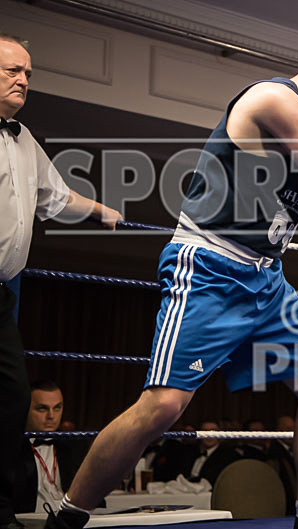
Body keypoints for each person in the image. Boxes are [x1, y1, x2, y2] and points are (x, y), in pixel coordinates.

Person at [44, 34, 298, 529]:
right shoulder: (273, 98)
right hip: (210, 267)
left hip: (266, 279)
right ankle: (69, 517)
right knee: (163, 405)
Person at [0, 33, 121, 529]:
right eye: (13, 70)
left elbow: (56, 197)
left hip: (2, 294)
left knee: (11, 396)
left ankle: (2, 509)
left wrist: (101, 212)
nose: (24, 79)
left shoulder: (24, 140)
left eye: (28, 72)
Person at [14, 381, 86, 513]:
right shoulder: (11, 448)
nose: (51, 416)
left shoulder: (73, 445)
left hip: (69, 520)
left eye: (57, 408)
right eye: (42, 408)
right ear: (25, 408)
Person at [187, 421, 240, 487]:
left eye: (214, 431)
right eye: (205, 431)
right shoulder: (190, 452)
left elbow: (213, 479)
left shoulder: (228, 455)